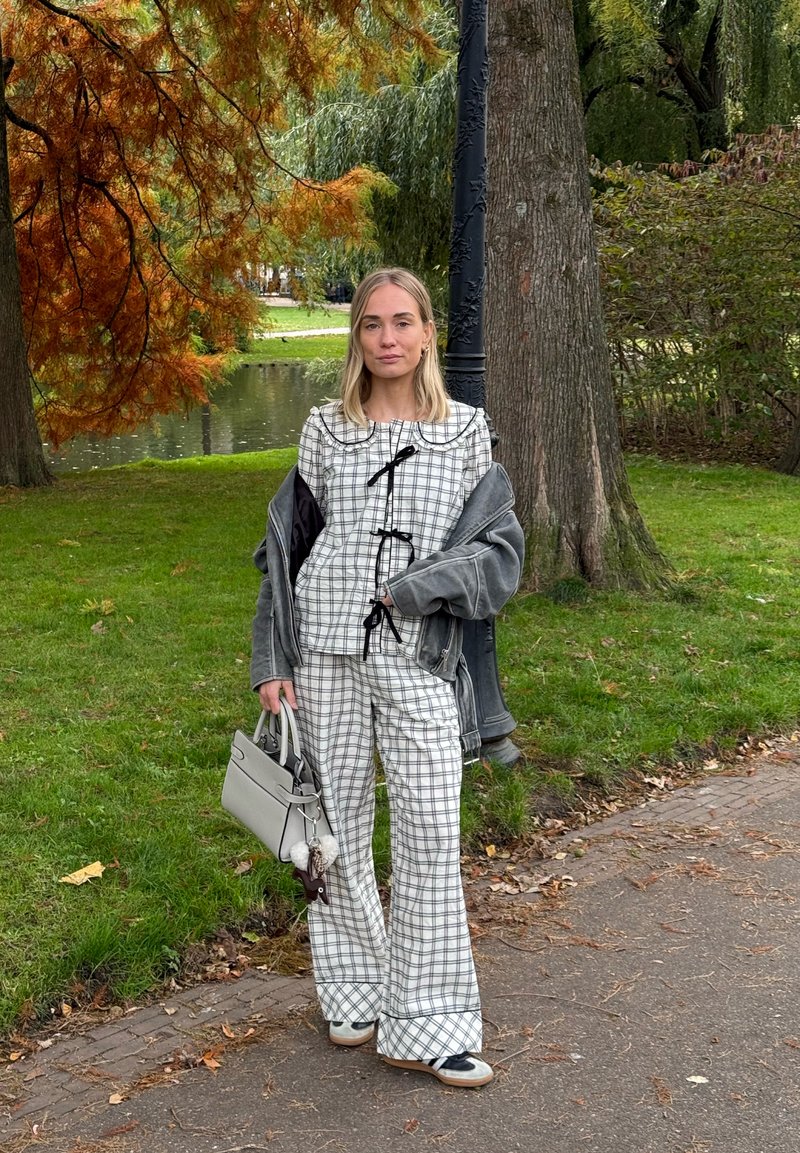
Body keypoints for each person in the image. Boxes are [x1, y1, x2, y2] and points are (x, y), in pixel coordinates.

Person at [250, 268, 524, 1088]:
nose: (388, 338)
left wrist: (417, 586)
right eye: (372, 324)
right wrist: (273, 660)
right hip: (323, 654)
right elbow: (284, 553)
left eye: (403, 322)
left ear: (429, 331)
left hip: (417, 659)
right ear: (357, 337)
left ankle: (431, 1019)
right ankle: (356, 987)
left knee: (433, 828)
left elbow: (499, 555)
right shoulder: (325, 430)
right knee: (331, 826)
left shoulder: (469, 432)